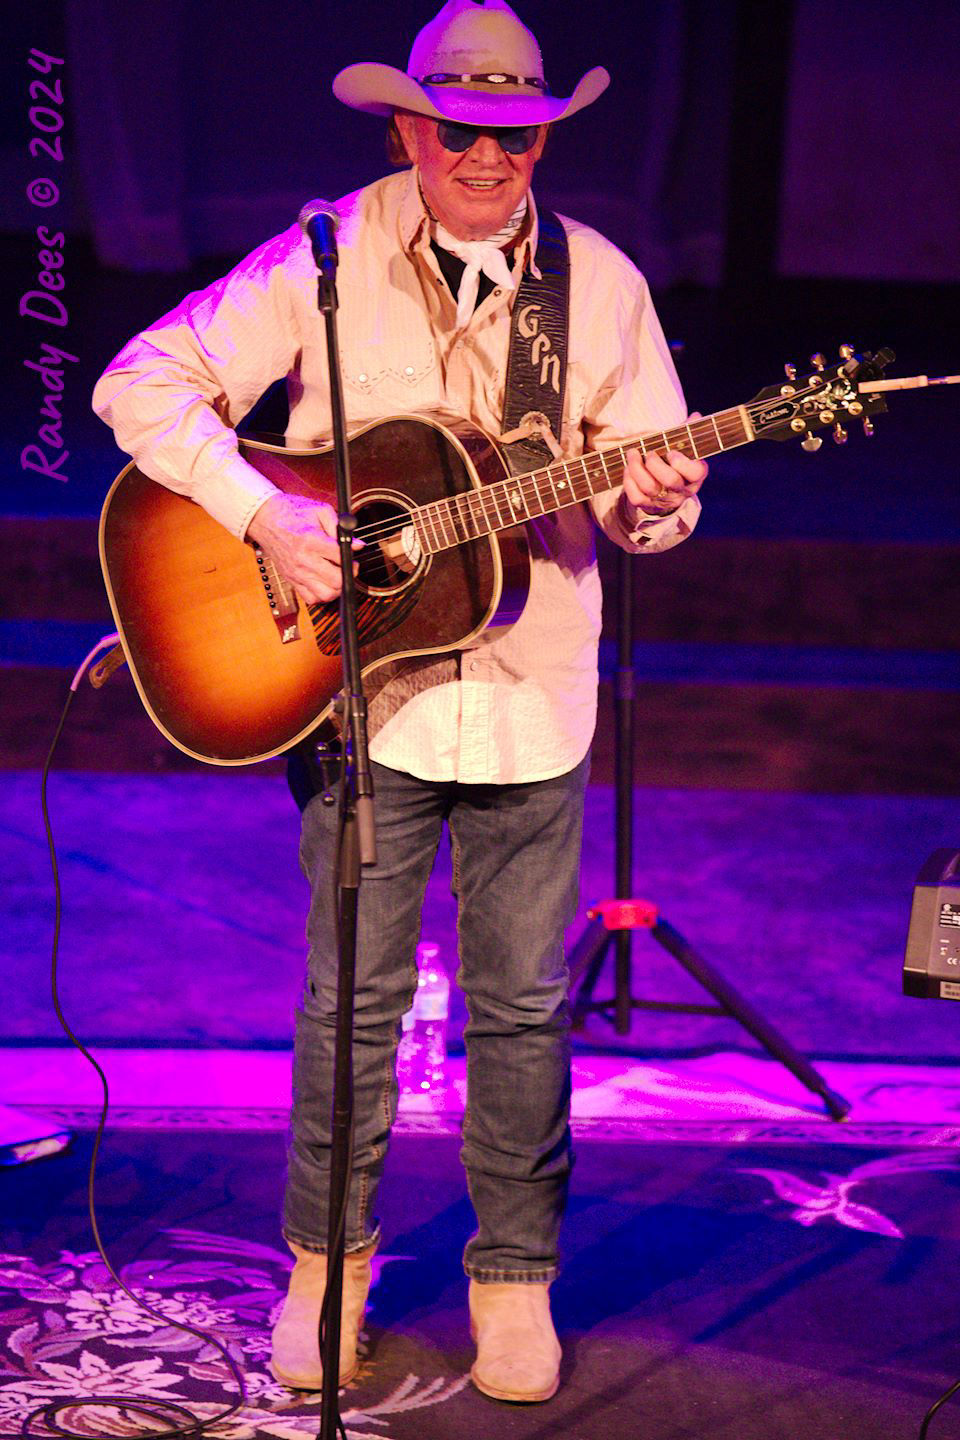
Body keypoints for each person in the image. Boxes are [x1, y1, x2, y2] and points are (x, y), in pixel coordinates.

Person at [92, 0, 707, 1405]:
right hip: (360, 693)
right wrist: (263, 513)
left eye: (517, 132)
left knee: (524, 1008)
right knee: (348, 1006)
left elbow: (638, 498)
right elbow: (142, 383)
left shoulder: (596, 281)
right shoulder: (328, 251)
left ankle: (513, 1280)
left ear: (544, 136)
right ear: (408, 128)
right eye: (460, 129)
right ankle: (326, 1274)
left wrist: (655, 500)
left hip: (532, 686)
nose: (488, 155)